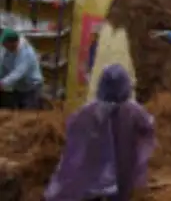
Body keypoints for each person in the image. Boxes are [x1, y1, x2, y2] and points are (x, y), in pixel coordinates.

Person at [44, 64, 155, 201]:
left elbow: (73, 134)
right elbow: (148, 131)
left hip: (93, 174)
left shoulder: (87, 112)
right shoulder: (134, 111)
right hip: (123, 166)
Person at [0, 28, 43, 109]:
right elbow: (3, 65)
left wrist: (2, 83)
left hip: (32, 87)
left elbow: (19, 73)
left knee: (29, 116)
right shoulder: (7, 49)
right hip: (18, 87)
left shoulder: (26, 52)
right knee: (17, 113)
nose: (3, 46)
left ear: (13, 42)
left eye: (5, 44)